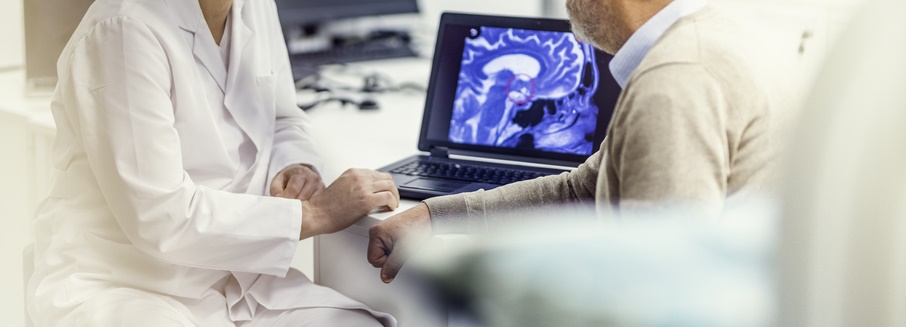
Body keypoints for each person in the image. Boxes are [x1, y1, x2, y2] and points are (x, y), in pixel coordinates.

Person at [25, 0, 399, 325]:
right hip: (126, 285)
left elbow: (283, 117)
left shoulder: (253, 7)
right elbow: (163, 217)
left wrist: (295, 166)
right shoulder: (122, 29)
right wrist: (316, 214)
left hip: (237, 282)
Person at [368, 0, 794, 283]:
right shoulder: (716, 33)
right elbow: (581, 191)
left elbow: (655, 285)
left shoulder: (674, 82)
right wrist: (434, 216)